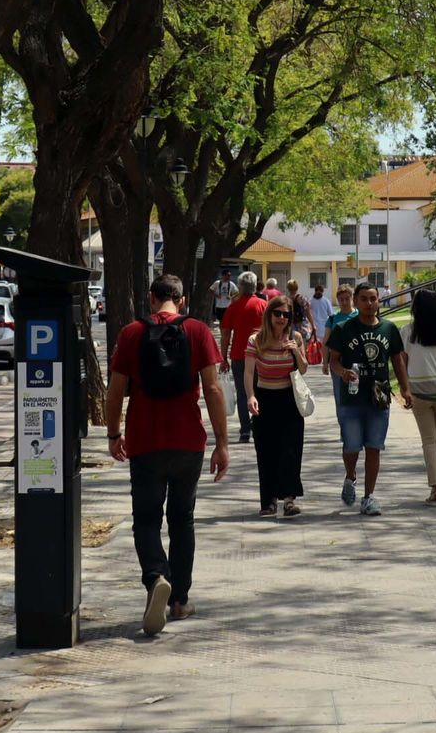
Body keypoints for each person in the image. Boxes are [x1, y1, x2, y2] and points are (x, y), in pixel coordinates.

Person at [105, 274, 230, 634]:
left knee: (146, 520)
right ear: (183, 300)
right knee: (182, 519)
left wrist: (114, 434)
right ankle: (179, 601)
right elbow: (213, 389)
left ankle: (156, 576)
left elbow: (115, 392)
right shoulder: (198, 331)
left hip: (144, 442)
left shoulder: (131, 333)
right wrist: (222, 443)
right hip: (188, 441)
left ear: (150, 298)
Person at [326, 282, 410, 517]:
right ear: (356, 301)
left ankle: (369, 496)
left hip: (379, 396)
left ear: (378, 301)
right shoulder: (343, 329)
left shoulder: (388, 328)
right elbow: (333, 360)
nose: (369, 303)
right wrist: (342, 372)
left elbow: (398, 360)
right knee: (352, 446)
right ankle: (350, 476)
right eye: (364, 299)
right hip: (352, 397)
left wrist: (406, 389)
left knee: (374, 447)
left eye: (373, 299)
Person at [244, 295, 307, 517]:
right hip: (265, 398)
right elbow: (248, 372)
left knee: (291, 449)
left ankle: (289, 499)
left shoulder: (295, 337)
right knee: (266, 451)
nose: (281, 318)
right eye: (277, 313)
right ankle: (269, 501)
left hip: (289, 400)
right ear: (269, 314)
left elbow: (304, 368)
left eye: (286, 314)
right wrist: (250, 396)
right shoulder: (256, 340)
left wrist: (296, 350)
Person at [401, 289, 436, 506]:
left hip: (419, 390)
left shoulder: (408, 332)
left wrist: (404, 388)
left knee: (429, 439)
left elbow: (402, 362)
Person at [219, 272, 268, 444]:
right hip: (262, 356)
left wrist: (223, 357)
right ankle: (259, 425)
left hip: (239, 355)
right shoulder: (264, 305)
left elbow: (225, 334)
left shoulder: (234, 307)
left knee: (242, 393)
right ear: (255, 286)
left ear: (240, 287)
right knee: (260, 391)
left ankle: (245, 430)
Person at [321, 284, 355, 382]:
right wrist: (325, 363)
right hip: (337, 361)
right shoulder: (332, 319)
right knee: (339, 390)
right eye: (341, 299)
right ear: (338, 300)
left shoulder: (360, 316)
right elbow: (326, 342)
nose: (344, 302)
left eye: (347, 299)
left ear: (352, 298)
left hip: (356, 359)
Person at [286, 279, 313, 345]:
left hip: (291, 328)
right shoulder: (302, 298)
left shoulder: (286, 299)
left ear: (288, 288)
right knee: (303, 346)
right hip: (302, 327)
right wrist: (313, 325)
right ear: (297, 287)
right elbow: (308, 313)